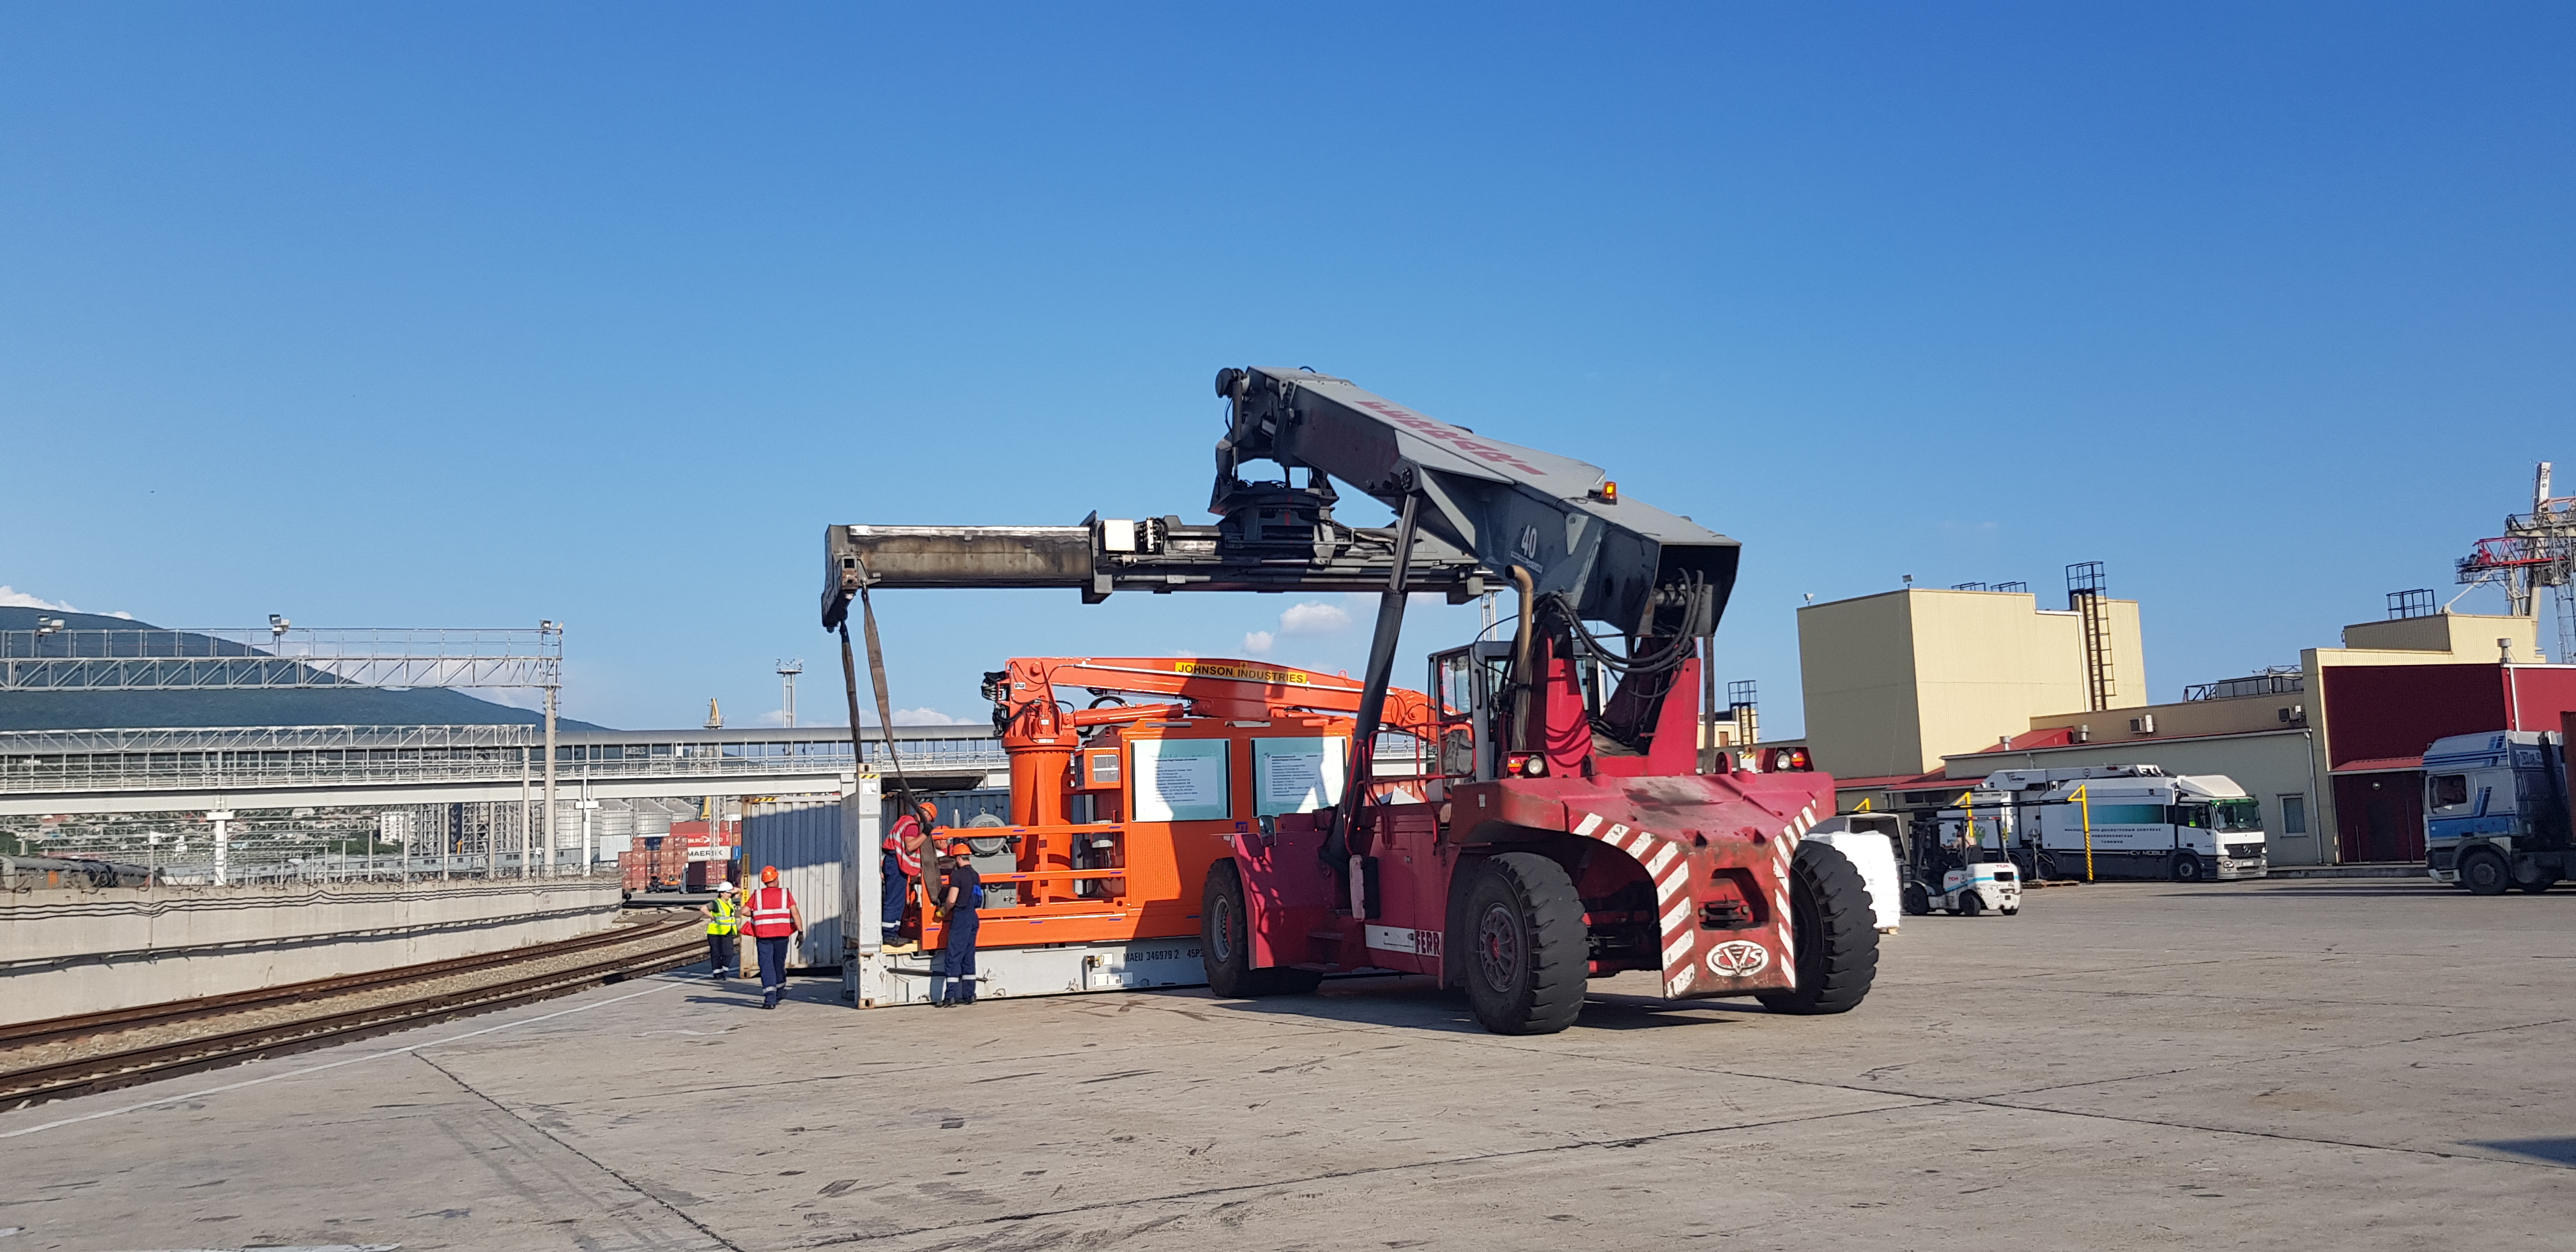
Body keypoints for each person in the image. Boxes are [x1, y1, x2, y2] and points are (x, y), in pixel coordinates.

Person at [745, 864, 804, 1010]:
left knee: (766, 966)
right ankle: (780, 991)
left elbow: (745, 911)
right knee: (779, 963)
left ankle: (769, 999)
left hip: (764, 936)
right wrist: (800, 932)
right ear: (776, 879)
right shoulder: (785, 894)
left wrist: (757, 914)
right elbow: (795, 913)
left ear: (764, 881)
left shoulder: (758, 895)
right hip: (782, 936)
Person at [933, 840, 983, 1007]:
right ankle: (970, 995)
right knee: (969, 956)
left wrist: (944, 910)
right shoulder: (975, 875)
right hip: (973, 917)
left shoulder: (958, 875)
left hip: (961, 917)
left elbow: (952, 900)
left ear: (958, 859)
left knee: (954, 956)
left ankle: (951, 996)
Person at [698, 880, 740, 982]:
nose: (729, 894)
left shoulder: (730, 901)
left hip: (727, 931)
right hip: (715, 932)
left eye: (730, 893)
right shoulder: (716, 903)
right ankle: (718, 974)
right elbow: (703, 909)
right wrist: (713, 917)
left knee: (729, 953)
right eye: (727, 892)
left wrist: (734, 890)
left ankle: (723, 971)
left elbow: (740, 891)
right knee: (716, 954)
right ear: (721, 893)